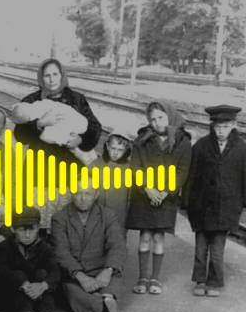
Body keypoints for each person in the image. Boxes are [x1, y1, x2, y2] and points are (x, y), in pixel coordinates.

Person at [12, 58, 102, 230]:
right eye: (47, 75)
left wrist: (81, 140)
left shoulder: (77, 99)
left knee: (67, 225)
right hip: (39, 171)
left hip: (69, 171)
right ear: (41, 78)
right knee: (38, 222)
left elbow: (95, 127)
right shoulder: (31, 100)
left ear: (62, 75)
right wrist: (39, 124)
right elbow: (19, 134)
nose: (52, 79)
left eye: (55, 74)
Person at [126, 99, 192, 295]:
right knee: (144, 235)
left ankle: (155, 277)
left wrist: (165, 192)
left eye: (161, 118)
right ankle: (142, 277)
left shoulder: (183, 141)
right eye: (152, 119)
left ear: (170, 116)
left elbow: (182, 170)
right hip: (144, 195)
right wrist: (147, 188)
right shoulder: (141, 140)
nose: (157, 123)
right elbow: (135, 167)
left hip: (166, 196)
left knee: (158, 237)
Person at [183, 105, 246, 297]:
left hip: (225, 208)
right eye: (217, 126)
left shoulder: (241, 148)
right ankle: (200, 281)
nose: (221, 131)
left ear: (234, 125)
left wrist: (241, 204)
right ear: (212, 125)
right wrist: (186, 202)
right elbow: (191, 175)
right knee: (200, 248)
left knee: (217, 250)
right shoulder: (201, 146)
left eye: (225, 127)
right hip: (201, 207)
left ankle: (214, 282)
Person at [51, 178, 129, 312]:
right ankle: (102, 304)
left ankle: (101, 302)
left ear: (96, 194)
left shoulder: (107, 215)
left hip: (101, 271)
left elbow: (118, 245)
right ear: (71, 193)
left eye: (88, 193)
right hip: (73, 276)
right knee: (68, 290)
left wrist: (107, 271)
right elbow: (61, 252)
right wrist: (81, 277)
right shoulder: (60, 218)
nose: (82, 198)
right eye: (78, 193)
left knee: (116, 276)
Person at [0, 206, 59, 312]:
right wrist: (23, 284)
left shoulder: (45, 247)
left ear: (39, 226)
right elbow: (1, 269)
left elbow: (55, 271)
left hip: (38, 294)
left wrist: (43, 285)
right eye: (21, 230)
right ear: (12, 228)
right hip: (13, 296)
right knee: (18, 274)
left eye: (32, 229)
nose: (27, 235)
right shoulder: (4, 246)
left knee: (43, 273)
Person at [92, 127, 136, 229]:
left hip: (119, 214)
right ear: (107, 146)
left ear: (126, 150)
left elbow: (130, 196)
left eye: (120, 150)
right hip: (97, 212)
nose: (116, 153)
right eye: (113, 148)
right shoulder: (96, 164)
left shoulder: (129, 168)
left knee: (116, 239)